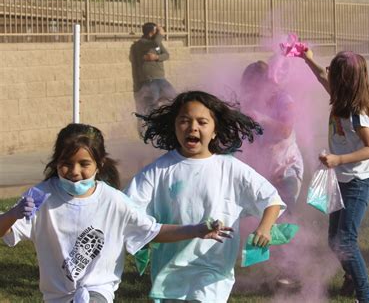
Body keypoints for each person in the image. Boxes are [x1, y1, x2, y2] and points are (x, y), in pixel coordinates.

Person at [0, 123, 232, 303]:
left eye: (84, 164)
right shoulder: (41, 196)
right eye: (66, 163)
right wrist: (15, 214)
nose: (74, 171)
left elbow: (152, 230)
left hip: (98, 293)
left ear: (99, 164)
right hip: (57, 297)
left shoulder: (113, 201)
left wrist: (197, 230)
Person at [124, 90, 286, 302]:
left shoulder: (230, 168)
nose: (193, 127)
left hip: (213, 267)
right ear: (175, 126)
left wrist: (264, 228)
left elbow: (271, 200)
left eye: (202, 122)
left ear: (215, 131)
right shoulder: (158, 171)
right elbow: (125, 209)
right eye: (184, 121)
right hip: (170, 269)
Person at [301, 49, 369, 303]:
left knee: (345, 240)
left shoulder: (357, 114)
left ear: (344, 81)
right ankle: (351, 275)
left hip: (358, 184)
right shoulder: (338, 99)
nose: (329, 72)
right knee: (334, 241)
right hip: (341, 181)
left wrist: (339, 160)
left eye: (334, 71)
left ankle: (366, 297)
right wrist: (307, 57)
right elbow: (320, 75)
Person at [239, 59, 304, 212]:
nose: (251, 91)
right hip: (265, 171)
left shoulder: (284, 100)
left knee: (284, 216)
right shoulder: (251, 103)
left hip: (286, 169)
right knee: (262, 217)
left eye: (255, 86)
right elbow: (252, 143)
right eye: (249, 87)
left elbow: (286, 130)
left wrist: (261, 118)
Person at [130, 22, 177, 115]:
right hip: (150, 80)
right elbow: (155, 42)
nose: (157, 33)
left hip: (161, 78)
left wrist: (156, 57)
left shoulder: (156, 44)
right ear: (151, 32)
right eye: (156, 30)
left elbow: (166, 55)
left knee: (174, 98)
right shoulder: (142, 43)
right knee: (152, 106)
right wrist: (161, 33)